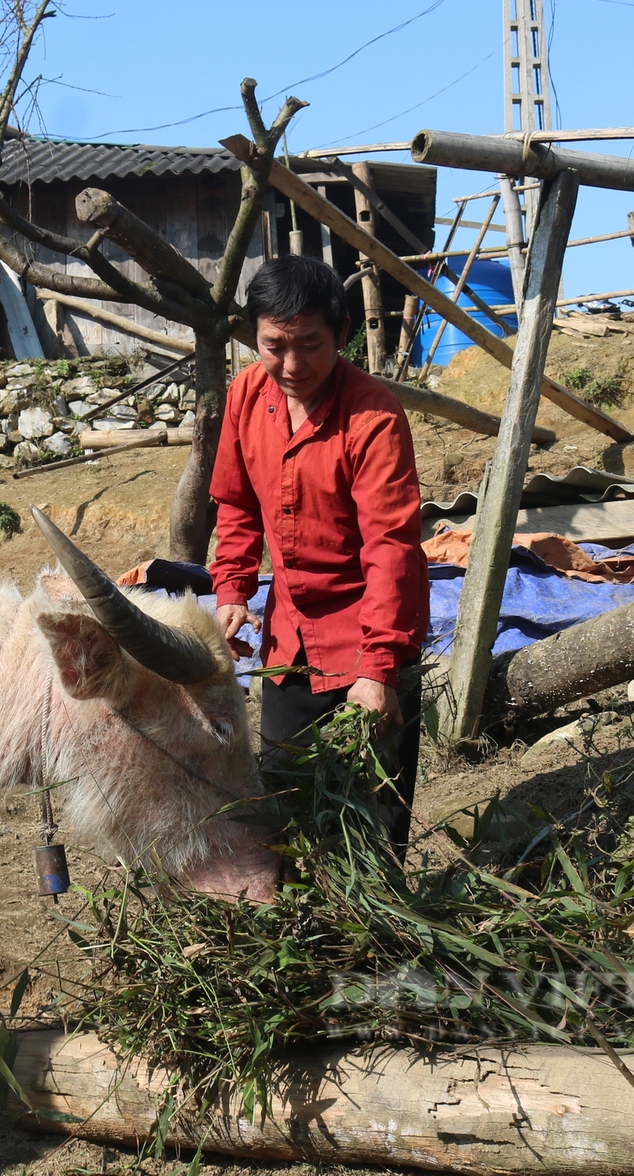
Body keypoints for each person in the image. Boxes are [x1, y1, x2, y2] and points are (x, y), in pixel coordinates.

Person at [208, 254, 428, 848]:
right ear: (254, 337)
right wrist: (232, 591)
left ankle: (375, 937)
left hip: (366, 640)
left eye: (310, 344)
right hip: (290, 642)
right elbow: (236, 505)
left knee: (370, 833)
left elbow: (392, 546)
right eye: (274, 345)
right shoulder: (246, 395)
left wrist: (378, 668)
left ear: (342, 335)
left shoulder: (374, 417)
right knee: (286, 817)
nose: (292, 364)